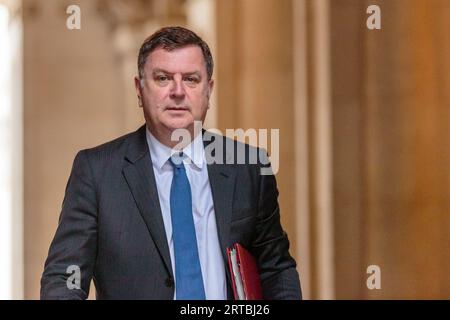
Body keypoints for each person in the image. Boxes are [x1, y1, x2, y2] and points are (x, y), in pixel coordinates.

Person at [40, 26, 301, 300]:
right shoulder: (96, 172)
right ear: (139, 89)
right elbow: (64, 275)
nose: (178, 92)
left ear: (208, 90)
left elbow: (276, 270)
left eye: (191, 79)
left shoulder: (248, 167)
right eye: (163, 78)